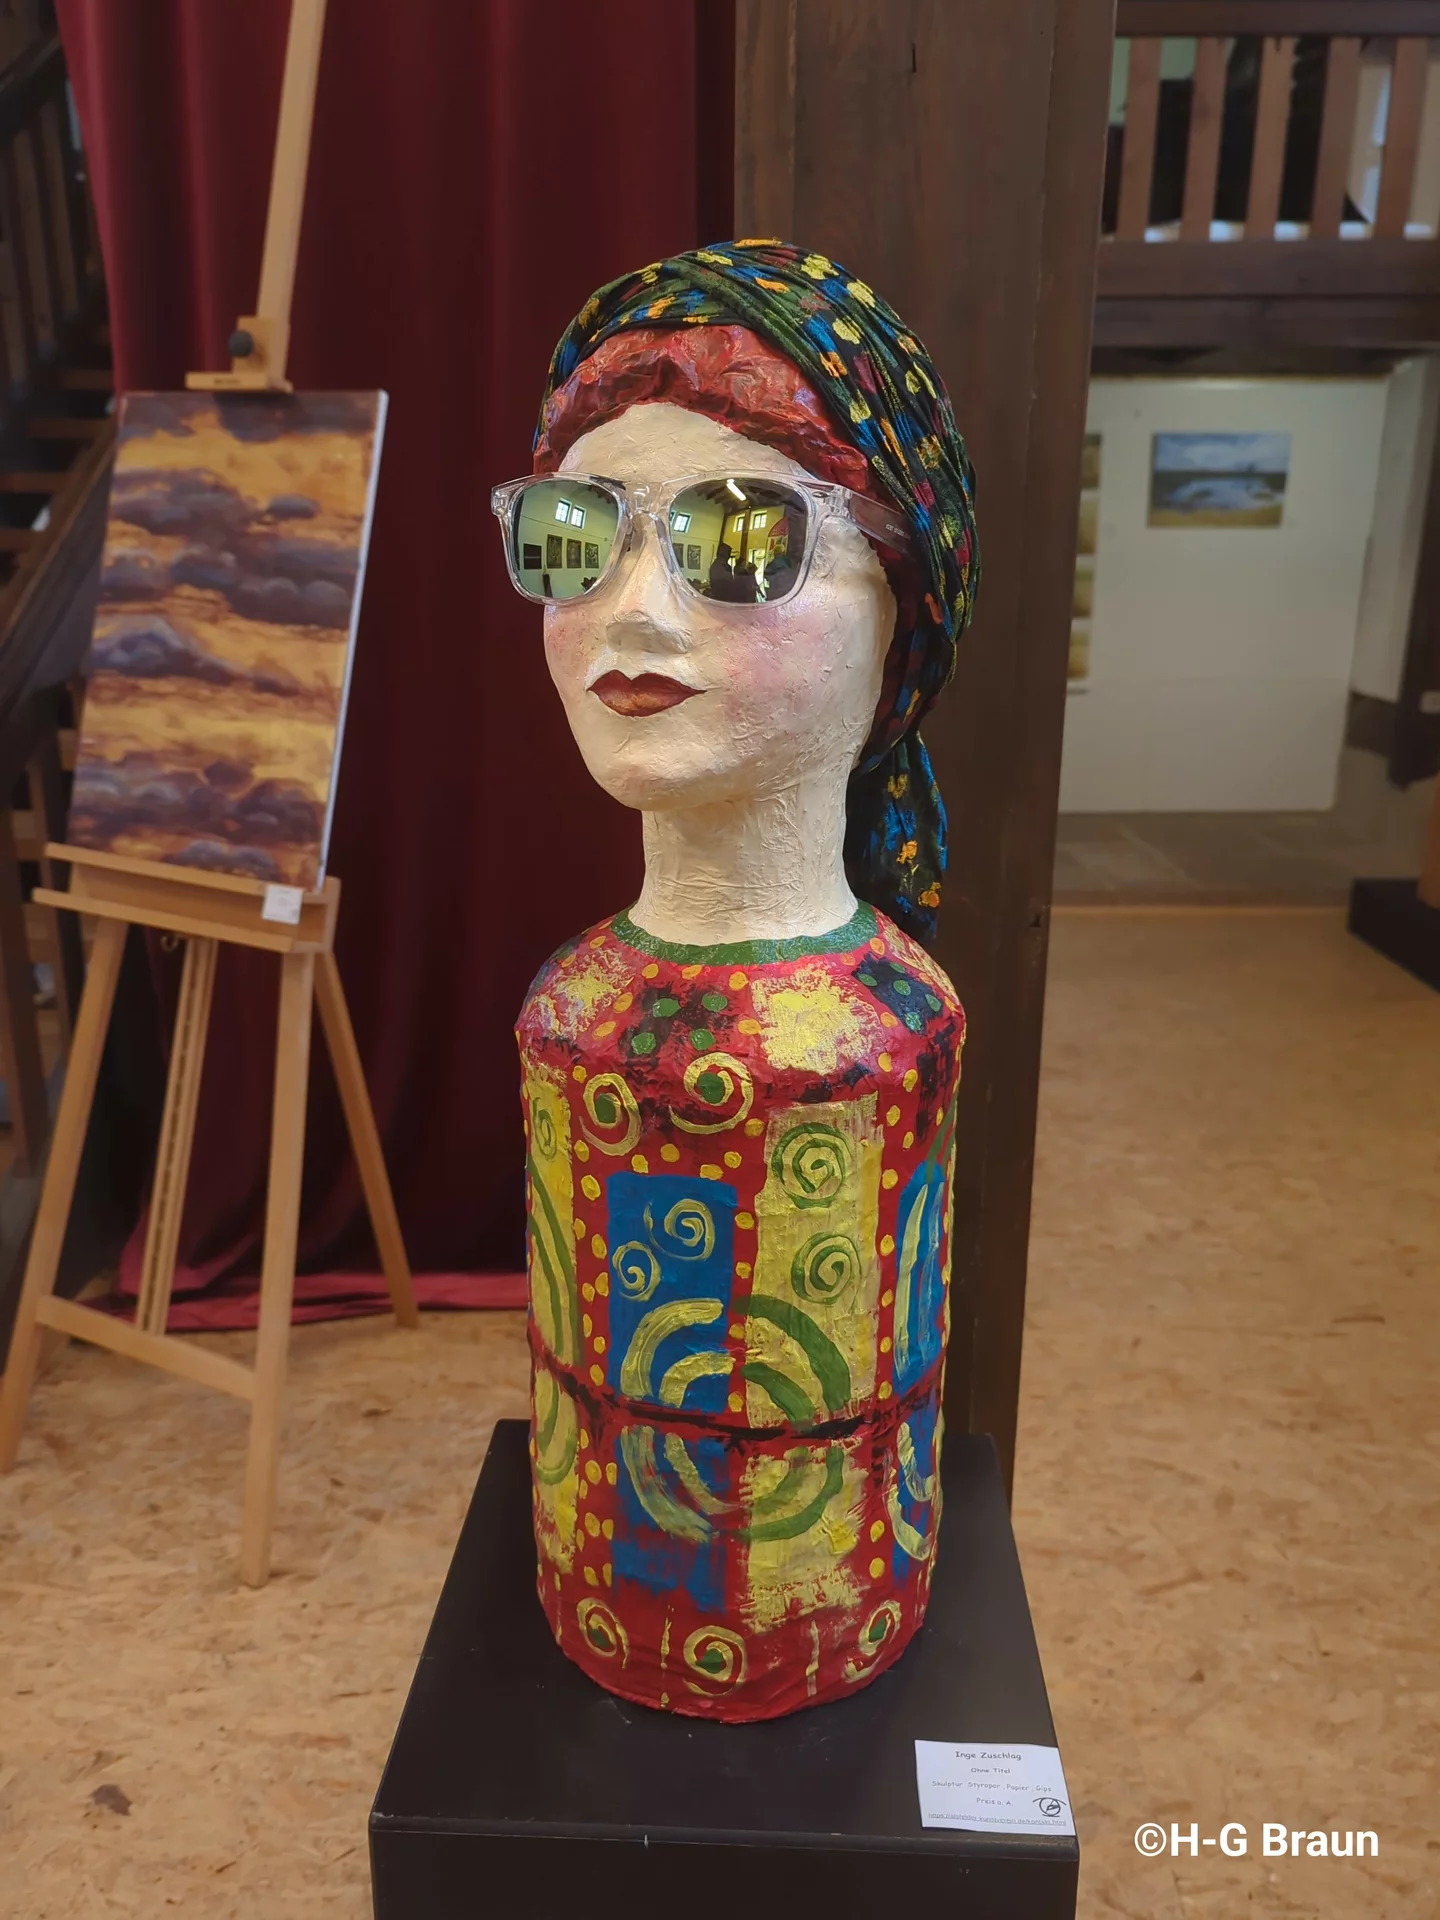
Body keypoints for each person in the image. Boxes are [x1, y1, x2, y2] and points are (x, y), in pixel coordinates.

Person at [506, 240, 980, 1724]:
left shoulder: (889, 1024)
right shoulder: (576, 1008)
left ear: (900, 606)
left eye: (741, 538)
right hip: (599, 1590)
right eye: (576, 535)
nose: (634, 613)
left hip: (847, 1613)